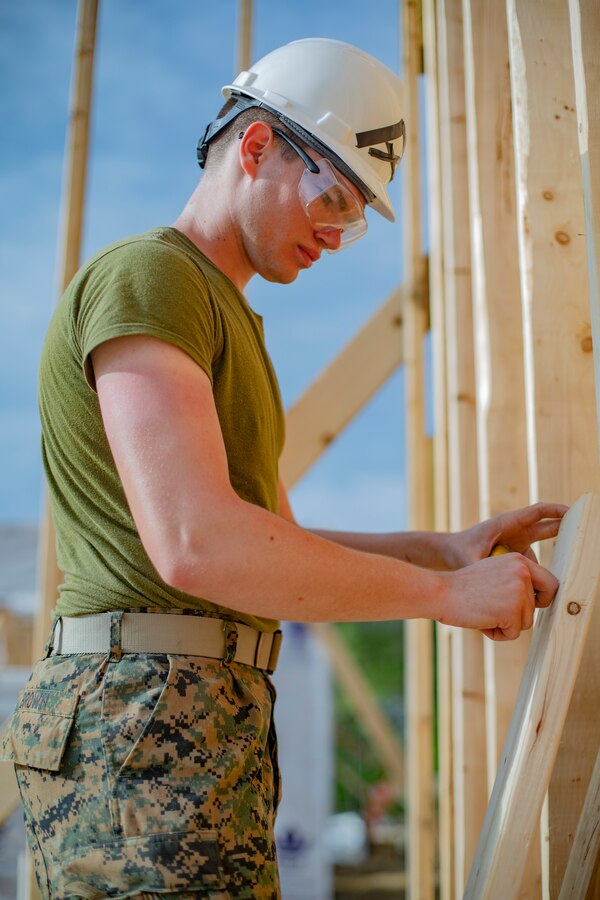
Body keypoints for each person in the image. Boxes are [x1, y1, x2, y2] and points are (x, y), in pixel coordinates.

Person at [2, 38, 565, 899]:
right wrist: (446, 599)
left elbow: (272, 543)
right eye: (333, 198)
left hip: (185, 722)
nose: (338, 236)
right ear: (258, 146)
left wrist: (441, 551)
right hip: (139, 725)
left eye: (356, 217)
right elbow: (199, 546)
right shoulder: (153, 279)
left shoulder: (230, 322)